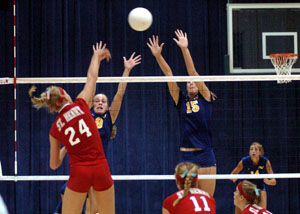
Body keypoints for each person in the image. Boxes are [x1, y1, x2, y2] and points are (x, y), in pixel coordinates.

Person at [29, 41, 115, 214]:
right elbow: (92, 78)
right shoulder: (81, 104)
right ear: (66, 97)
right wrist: (96, 56)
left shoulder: (55, 130)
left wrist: (66, 147)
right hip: (100, 167)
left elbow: (54, 165)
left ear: (52, 107)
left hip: (79, 172)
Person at [147, 29, 217, 196]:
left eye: (194, 81)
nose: (191, 82)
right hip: (186, 156)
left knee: (207, 200)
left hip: (205, 153)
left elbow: (192, 72)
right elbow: (169, 75)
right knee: (187, 200)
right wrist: (158, 56)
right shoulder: (181, 100)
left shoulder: (206, 97)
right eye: (188, 81)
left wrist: (185, 49)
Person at [91, 52, 141, 156]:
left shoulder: (109, 117)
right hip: (83, 162)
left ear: (108, 107)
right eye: (97, 101)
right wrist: (96, 61)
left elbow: (119, 94)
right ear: (92, 104)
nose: (100, 103)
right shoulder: (87, 113)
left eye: (103, 101)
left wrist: (127, 70)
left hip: (100, 162)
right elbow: (91, 85)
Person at [231, 142, 276, 214]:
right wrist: (234, 177)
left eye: (256, 149)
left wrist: (269, 181)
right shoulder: (244, 161)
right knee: (239, 206)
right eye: (251, 149)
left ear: (260, 152)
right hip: (246, 188)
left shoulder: (265, 162)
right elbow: (232, 175)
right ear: (249, 152)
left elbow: (274, 181)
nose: (253, 151)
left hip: (258, 188)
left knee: (261, 208)